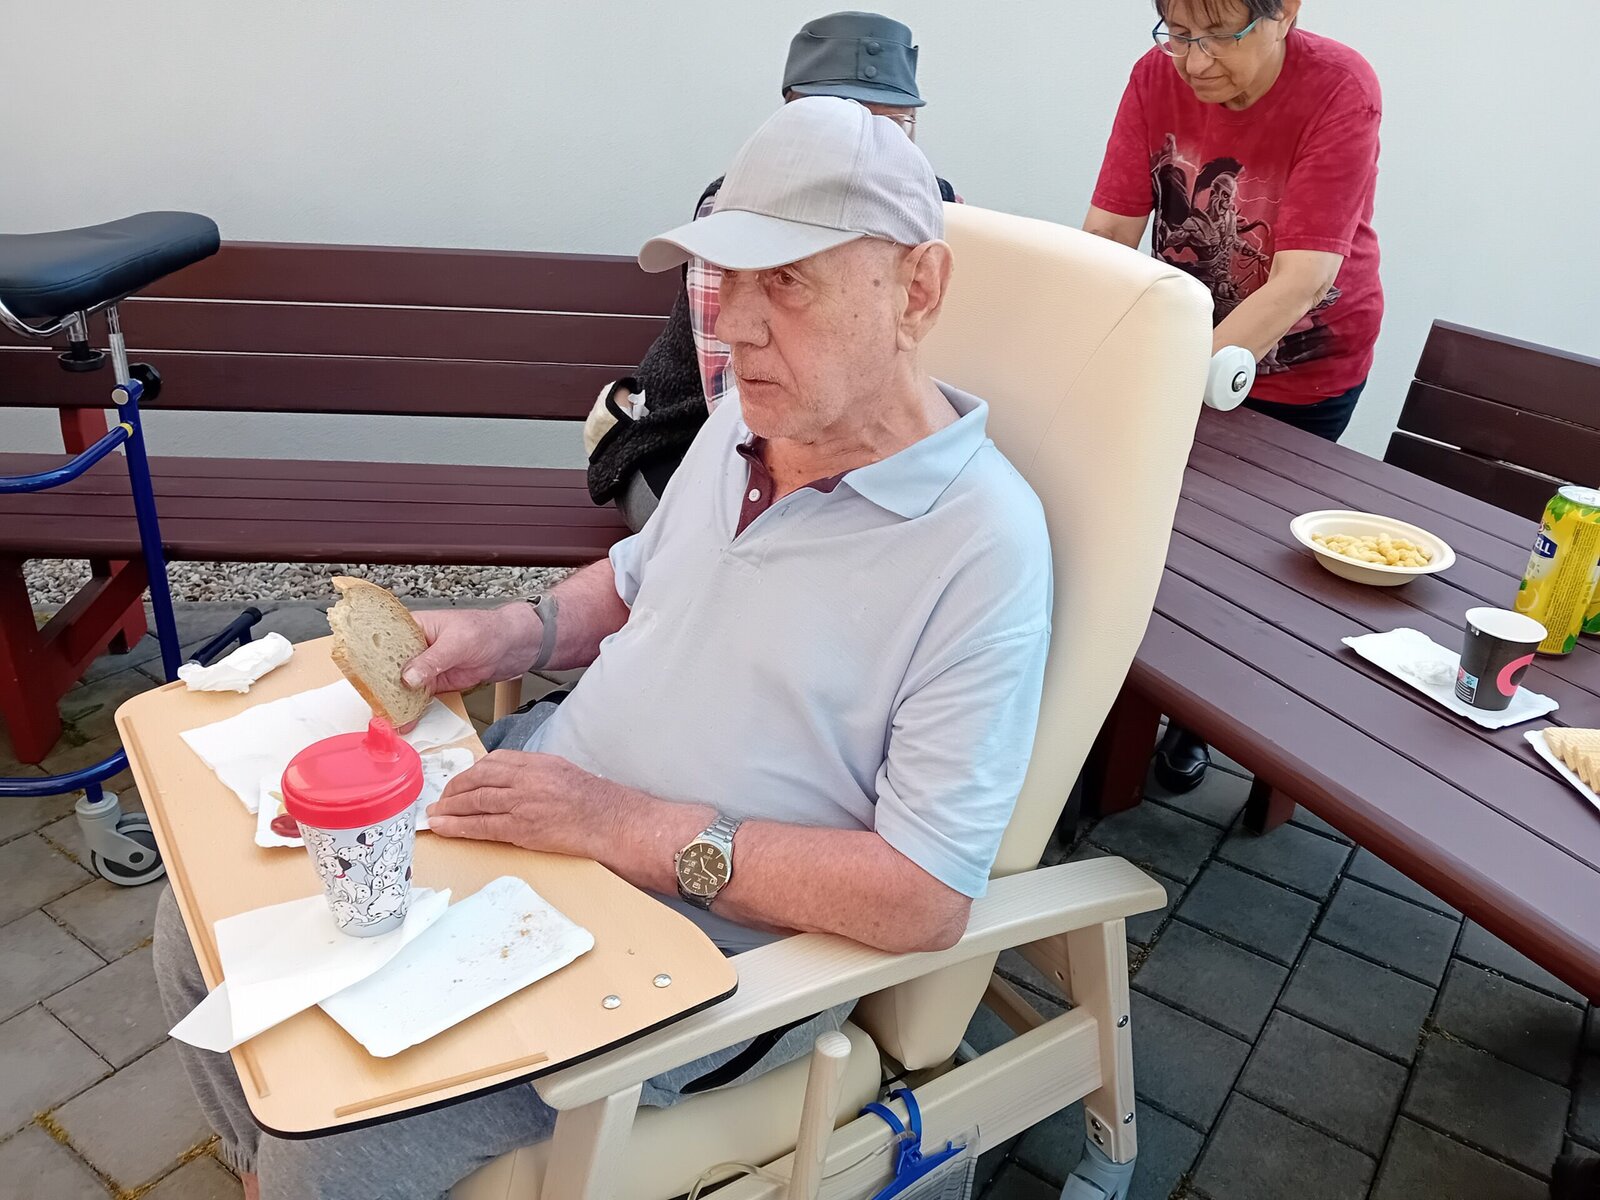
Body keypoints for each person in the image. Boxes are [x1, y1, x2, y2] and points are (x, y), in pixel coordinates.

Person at [154, 97, 1052, 1200]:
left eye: (788, 281)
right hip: (530, 804)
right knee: (199, 931)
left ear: (916, 291)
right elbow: (635, 578)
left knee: (334, 1146)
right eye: (727, 279)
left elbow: (924, 896)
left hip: (688, 950)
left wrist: (619, 825)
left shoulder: (982, 547)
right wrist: (511, 632)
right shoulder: (752, 419)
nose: (737, 328)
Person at [1084, 0, 1383, 791]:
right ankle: (1116, 699)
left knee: (1249, 556)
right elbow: (1107, 238)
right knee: (1147, 524)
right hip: (1185, 345)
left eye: (1219, 35)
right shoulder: (1153, 79)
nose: (1195, 60)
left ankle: (1198, 719)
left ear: (1284, 12)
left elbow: (1302, 279)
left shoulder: (1339, 87)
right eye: (1179, 35)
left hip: (1302, 364)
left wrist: (1174, 381)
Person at [587, 10, 961, 531]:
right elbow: (740, 406)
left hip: (842, 446)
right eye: (836, 114)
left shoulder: (938, 209)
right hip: (684, 441)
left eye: (891, 125)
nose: (863, 140)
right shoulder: (731, 207)